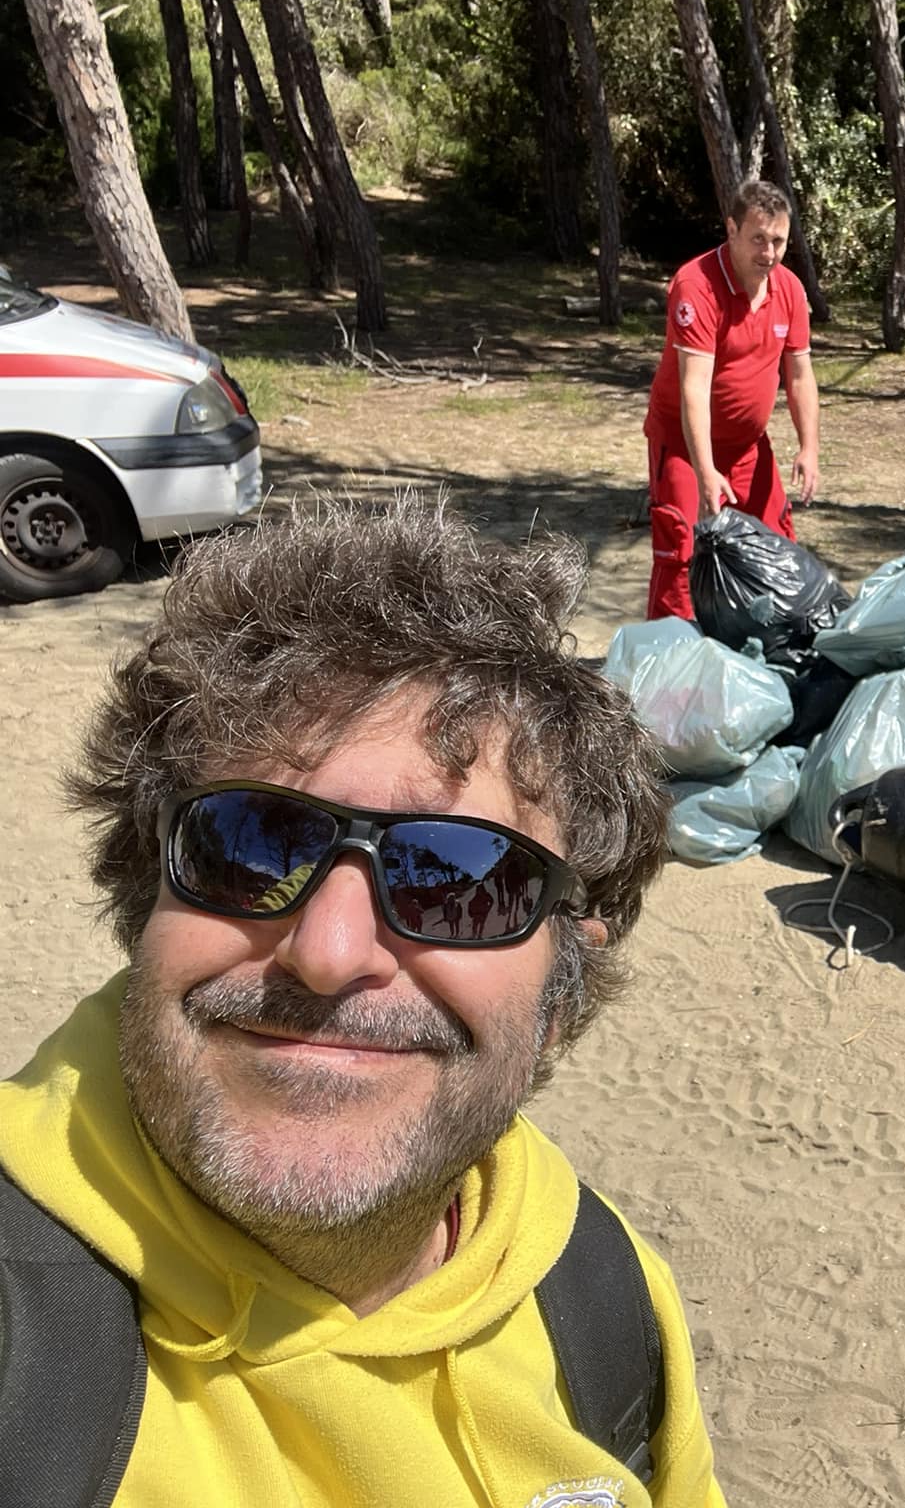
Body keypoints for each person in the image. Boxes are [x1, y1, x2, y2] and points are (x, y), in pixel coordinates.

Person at [0, 499, 725, 1507]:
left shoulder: (604, 1297)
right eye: (250, 845)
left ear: (566, 974)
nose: (331, 953)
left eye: (456, 878)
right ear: (146, 897)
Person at [644, 178, 821, 621]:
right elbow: (694, 388)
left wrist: (809, 447)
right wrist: (705, 471)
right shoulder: (697, 286)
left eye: (778, 241)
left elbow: (799, 376)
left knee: (777, 548)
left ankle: (769, 653)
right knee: (682, 552)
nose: (769, 253)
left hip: (747, 446)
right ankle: (669, 666)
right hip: (685, 445)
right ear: (731, 230)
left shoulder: (791, 290)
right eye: (758, 239)